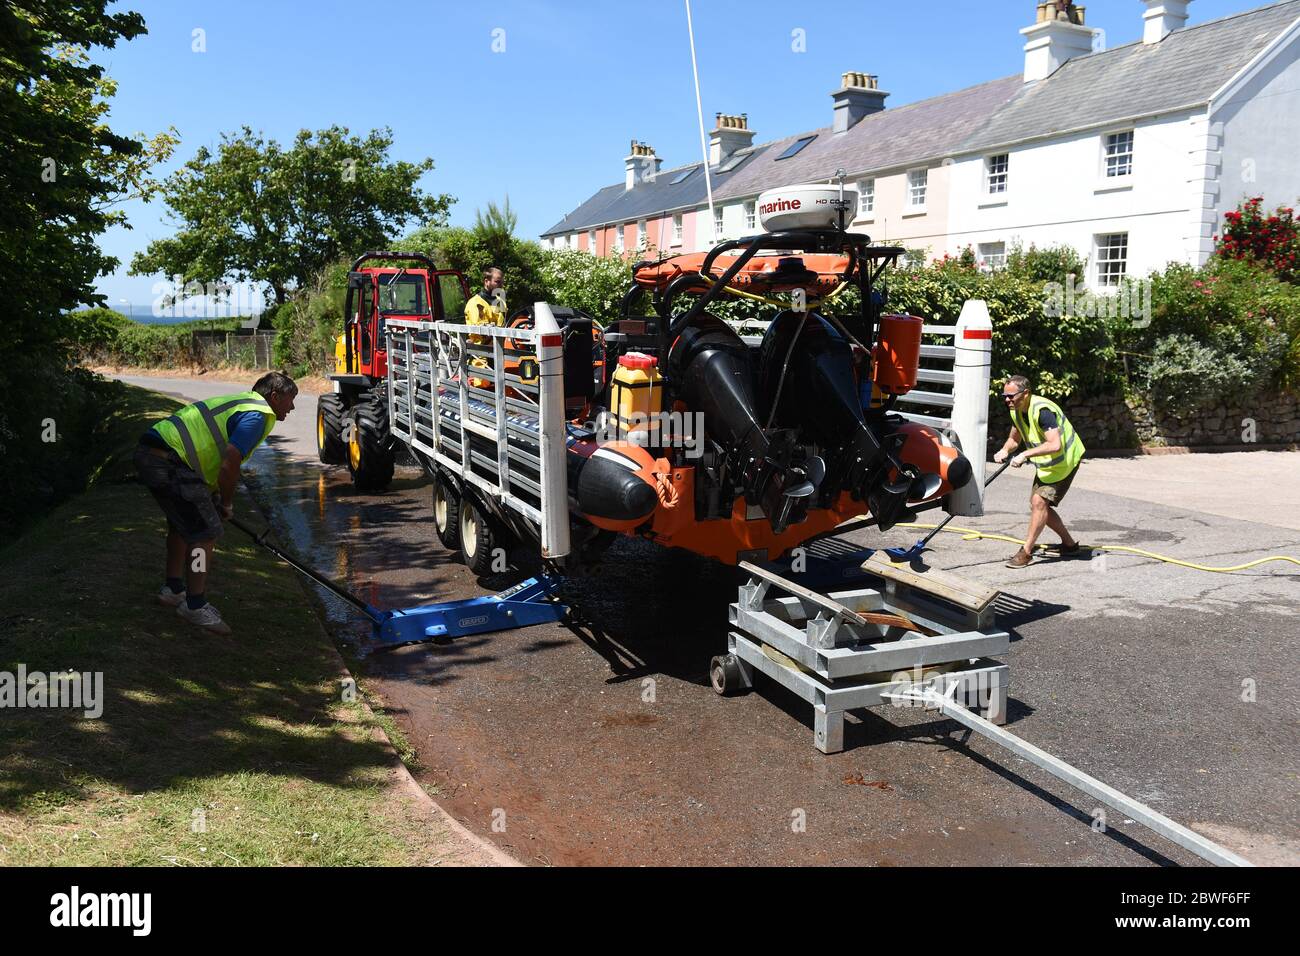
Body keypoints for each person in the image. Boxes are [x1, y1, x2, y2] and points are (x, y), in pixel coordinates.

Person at [134, 372, 298, 633]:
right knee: (205, 532)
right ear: (274, 396)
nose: (292, 407)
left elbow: (211, 452)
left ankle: (174, 590)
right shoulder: (258, 415)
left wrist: (213, 494)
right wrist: (228, 502)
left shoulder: (243, 402)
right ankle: (194, 606)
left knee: (182, 526)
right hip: (170, 461)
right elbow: (230, 460)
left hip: (154, 455)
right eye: (290, 400)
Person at [993, 374, 1085, 568]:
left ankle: (1026, 552)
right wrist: (1004, 450)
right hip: (1047, 465)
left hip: (1065, 462)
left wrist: (1025, 455)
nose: (1007, 400)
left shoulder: (1042, 411)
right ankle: (1069, 545)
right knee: (1038, 506)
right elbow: (1014, 439)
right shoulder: (1016, 410)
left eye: (1011, 396)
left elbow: (1055, 444)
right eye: (1005, 396)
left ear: (1025, 393)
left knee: (1038, 503)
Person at [464, 267, 506, 389]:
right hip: (480, 355)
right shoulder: (475, 303)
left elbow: (502, 324)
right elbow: (481, 330)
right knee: (482, 388)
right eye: (497, 282)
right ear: (486, 281)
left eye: (502, 282)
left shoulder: (500, 301)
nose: (501, 285)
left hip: (498, 353)